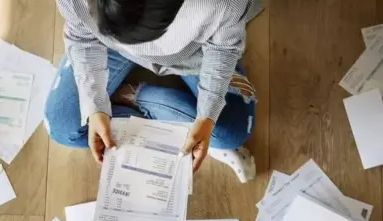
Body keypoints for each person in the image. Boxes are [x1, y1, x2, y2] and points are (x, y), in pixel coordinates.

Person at [45, 0, 262, 182]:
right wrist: (94, 105)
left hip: (195, 54)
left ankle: (135, 96)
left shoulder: (224, 3)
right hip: (107, 47)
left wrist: (207, 117)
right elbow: (82, 36)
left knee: (232, 132)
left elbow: (222, 49)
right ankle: (176, 125)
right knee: (64, 127)